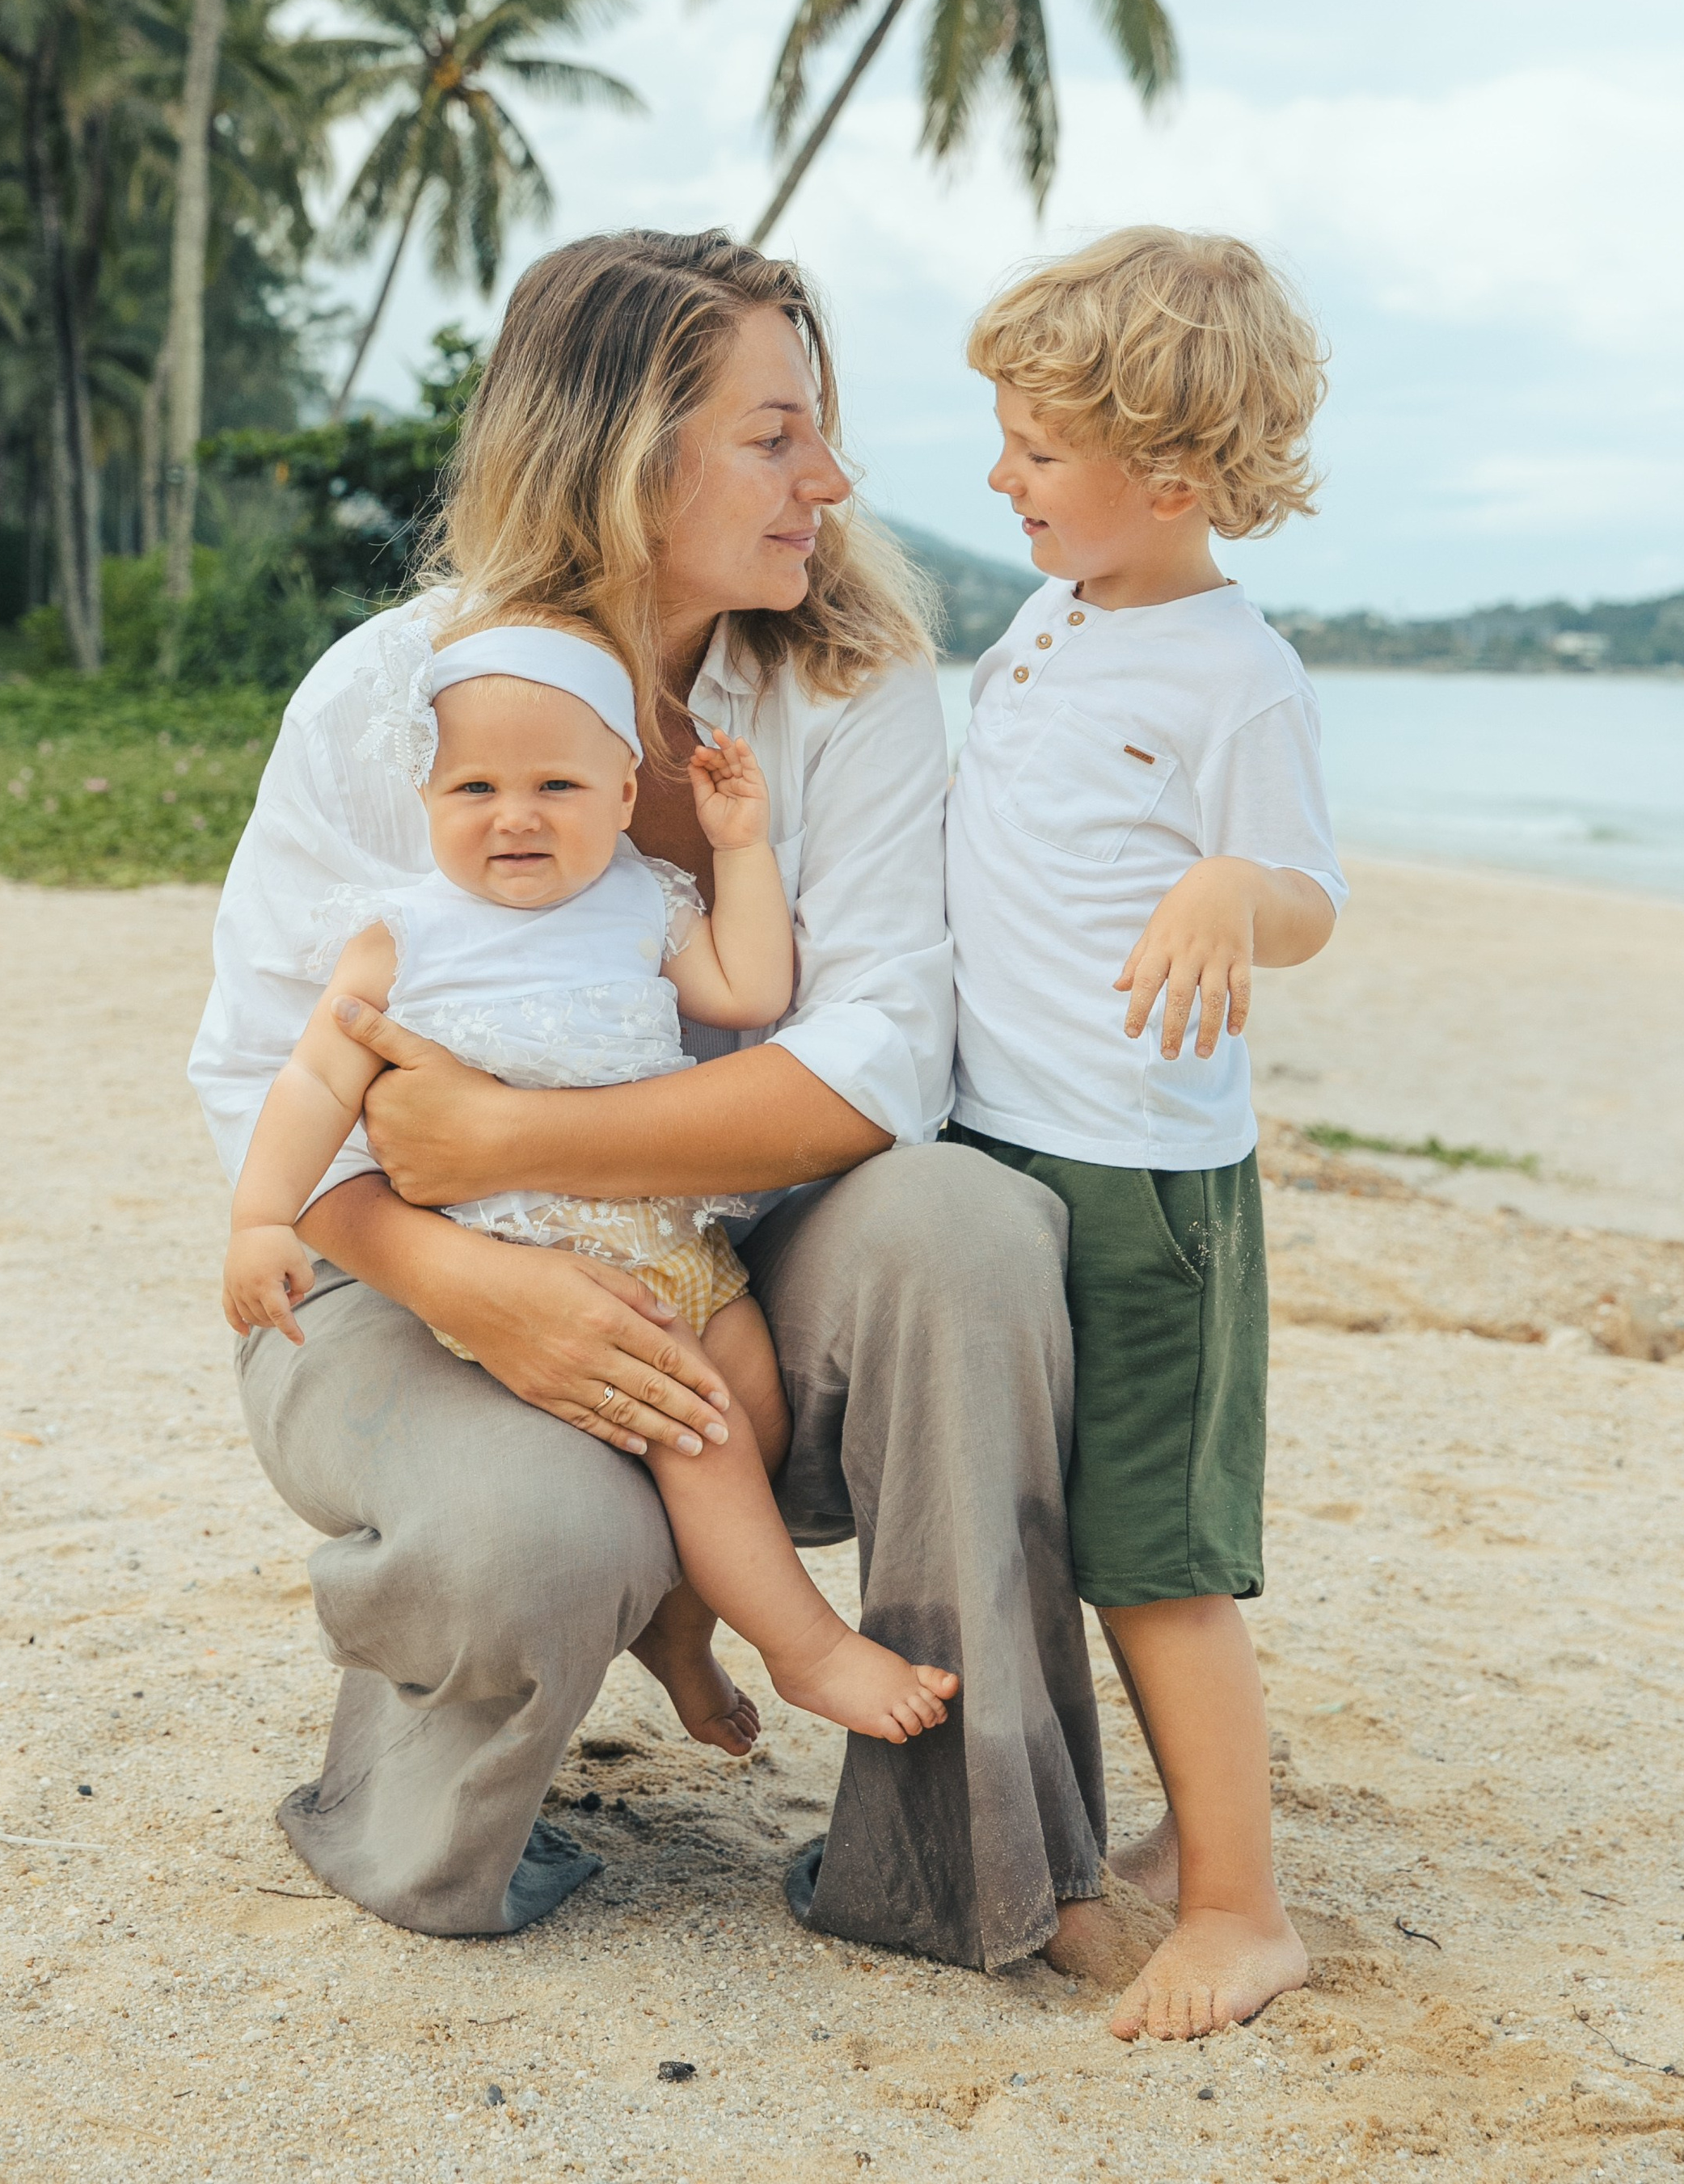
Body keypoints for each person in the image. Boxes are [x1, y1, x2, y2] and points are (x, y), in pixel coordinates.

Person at [190, 227, 1109, 1966]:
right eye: (773, 434)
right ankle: (431, 1817)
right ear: (621, 450)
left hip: (734, 1262)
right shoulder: (395, 701)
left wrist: (524, 1136)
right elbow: (259, 1073)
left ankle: (957, 1855)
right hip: (396, 1267)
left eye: (816, 428)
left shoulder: (841, 688)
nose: (825, 478)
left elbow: (879, 1056)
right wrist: (479, 1269)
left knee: (970, 1225)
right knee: (543, 1530)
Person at [221, 622, 959, 1748]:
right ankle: (809, 1651)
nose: (514, 814)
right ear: (425, 799)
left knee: (753, 1407)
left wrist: (743, 846)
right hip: (529, 1267)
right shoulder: (406, 937)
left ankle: (682, 1638)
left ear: (623, 792)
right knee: (700, 1433)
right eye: (474, 786)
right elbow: (313, 1081)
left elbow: (752, 990)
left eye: (555, 784)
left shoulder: (643, 901)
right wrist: (261, 1217)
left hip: (677, 1248)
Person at [945, 226, 1347, 2042]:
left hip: (1141, 1170)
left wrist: (1223, 888)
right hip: (996, 1141)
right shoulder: (1045, 622)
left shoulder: (1229, 672)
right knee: (1039, 1522)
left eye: (1034, 447)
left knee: (1151, 1550)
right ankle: (1132, 1843)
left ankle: (1242, 1907)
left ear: (1166, 474)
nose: (998, 474)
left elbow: (1309, 901)